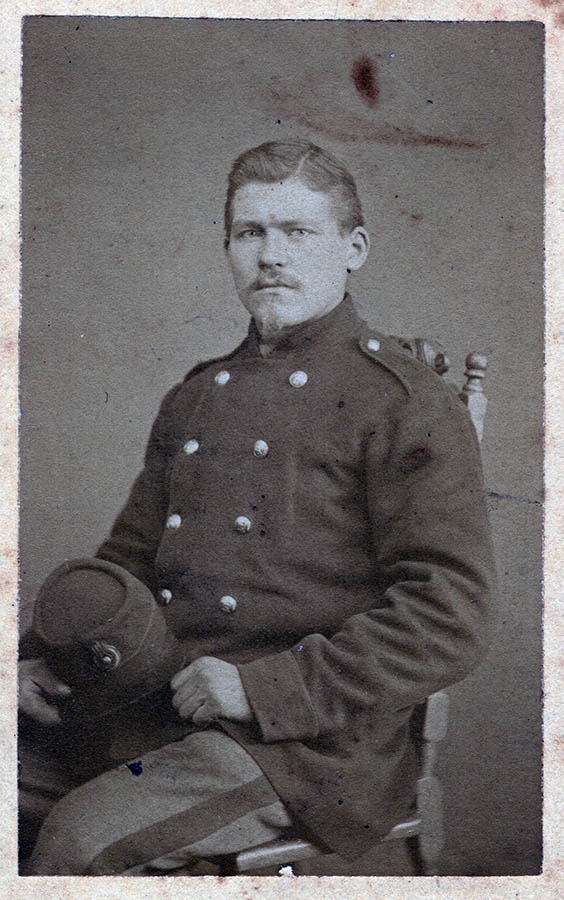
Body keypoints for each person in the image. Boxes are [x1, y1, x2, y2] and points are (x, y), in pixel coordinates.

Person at [18, 139, 496, 876]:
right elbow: (124, 568)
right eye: (250, 232)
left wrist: (261, 688)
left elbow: (450, 615)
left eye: (297, 232)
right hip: (155, 707)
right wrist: (39, 662)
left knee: (84, 843)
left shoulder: (405, 402)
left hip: (307, 745)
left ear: (354, 249)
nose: (271, 255)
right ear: (229, 250)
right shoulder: (195, 394)